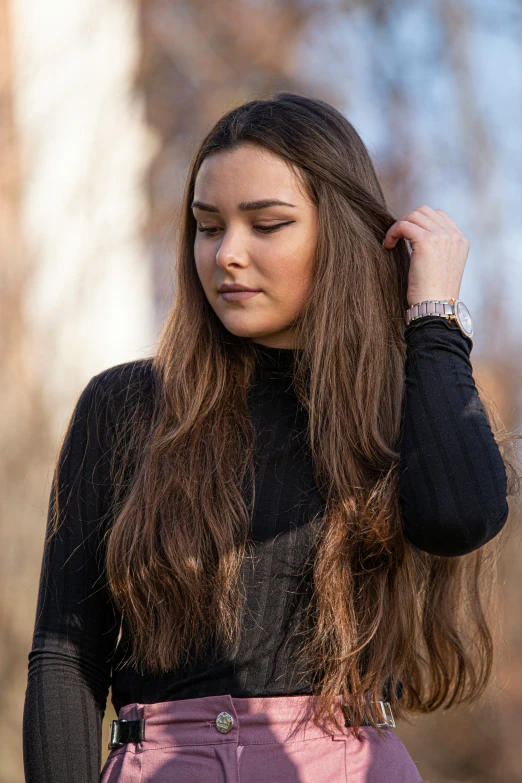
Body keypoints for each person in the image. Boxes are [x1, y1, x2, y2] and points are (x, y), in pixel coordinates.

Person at [23, 92, 518, 783]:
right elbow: (63, 655)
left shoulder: (394, 403)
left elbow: (460, 515)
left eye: (267, 224)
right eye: (207, 225)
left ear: (337, 232)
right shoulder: (124, 406)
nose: (228, 253)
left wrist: (432, 319)